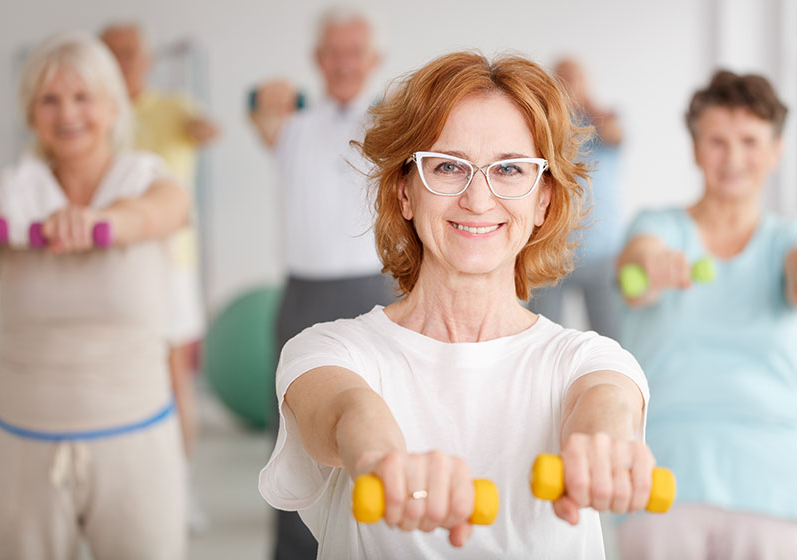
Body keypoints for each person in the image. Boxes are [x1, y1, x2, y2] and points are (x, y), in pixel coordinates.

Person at [258, 50, 660, 559]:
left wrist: (602, 443)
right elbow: (345, 412)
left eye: (510, 169)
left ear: (543, 201)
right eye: (448, 166)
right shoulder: (328, 350)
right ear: (404, 191)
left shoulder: (590, 360)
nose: (478, 197)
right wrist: (383, 458)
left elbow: (606, 404)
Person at [0, 32, 190, 559]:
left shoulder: (144, 178)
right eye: (49, 99)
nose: (67, 113)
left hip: (135, 439)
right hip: (24, 439)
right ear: (31, 112)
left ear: (112, 104)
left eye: (82, 97)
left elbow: (166, 210)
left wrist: (103, 222)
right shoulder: (15, 188)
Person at [616, 70, 797, 559]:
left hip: (776, 487)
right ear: (695, 149)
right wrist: (651, 266)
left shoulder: (789, 239)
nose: (733, 159)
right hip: (664, 477)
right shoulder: (657, 227)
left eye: (750, 141)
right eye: (717, 142)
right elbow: (635, 268)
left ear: (775, 150)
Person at [248, 7, 395, 558]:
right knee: (291, 433)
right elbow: (263, 112)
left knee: (373, 423)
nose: (344, 63)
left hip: (370, 292)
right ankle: (291, 550)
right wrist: (267, 100)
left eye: (355, 52)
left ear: (372, 60)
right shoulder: (291, 126)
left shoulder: (388, 125)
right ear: (318, 60)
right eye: (333, 52)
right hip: (303, 294)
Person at [100, 22, 218, 484]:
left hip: (171, 266)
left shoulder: (175, 108)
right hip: (107, 265)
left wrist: (203, 128)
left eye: (131, 52)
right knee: (114, 376)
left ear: (147, 61)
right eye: (112, 53)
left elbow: (204, 129)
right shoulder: (93, 115)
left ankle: (179, 488)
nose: (123, 62)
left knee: (174, 377)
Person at [528, 57, 623, 339]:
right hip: (552, 247)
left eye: (573, 79)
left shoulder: (605, 121)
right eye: (561, 79)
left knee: (611, 336)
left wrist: (587, 103)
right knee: (540, 334)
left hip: (601, 252)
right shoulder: (547, 126)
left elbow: (616, 136)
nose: (567, 86)